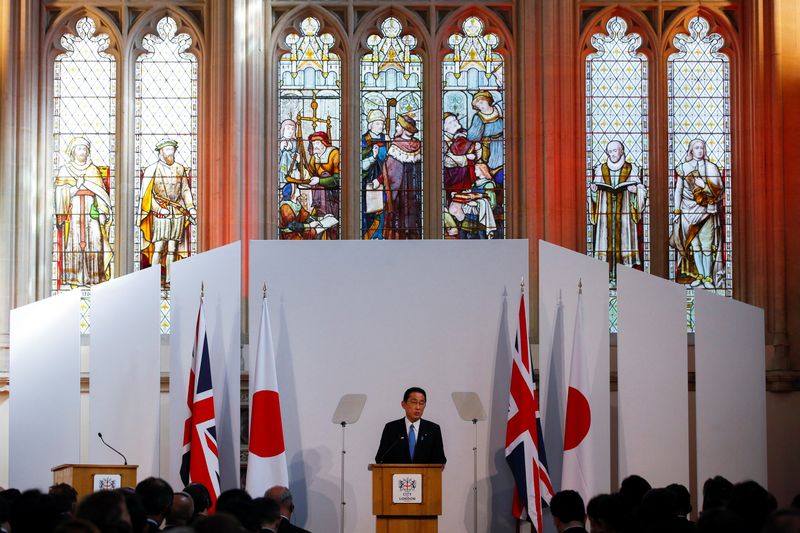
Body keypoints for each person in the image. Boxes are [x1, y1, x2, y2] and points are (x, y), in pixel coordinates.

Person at [54, 136, 113, 288]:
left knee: (95, 241)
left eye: (85, 149)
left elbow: (101, 194)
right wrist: (74, 188)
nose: (82, 152)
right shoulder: (65, 170)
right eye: (79, 148)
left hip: (91, 213)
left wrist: (101, 212)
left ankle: (94, 278)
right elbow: (59, 194)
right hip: (72, 214)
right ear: (73, 152)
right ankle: (74, 277)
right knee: (73, 242)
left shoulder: (93, 170)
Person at [138, 138, 196, 283]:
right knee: (159, 246)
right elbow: (147, 195)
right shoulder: (153, 169)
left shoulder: (179, 168)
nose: (171, 152)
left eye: (172, 149)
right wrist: (158, 208)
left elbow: (185, 190)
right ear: (161, 152)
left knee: (173, 248)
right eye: (168, 149)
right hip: (160, 213)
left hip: (177, 213)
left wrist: (191, 208)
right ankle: (153, 279)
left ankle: (171, 279)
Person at [670, 138, 725, 289]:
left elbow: (719, 191)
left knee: (707, 245)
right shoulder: (683, 167)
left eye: (702, 148)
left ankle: (708, 278)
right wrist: (676, 211)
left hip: (706, 211)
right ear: (691, 151)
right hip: (687, 211)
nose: (700, 150)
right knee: (695, 246)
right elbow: (678, 191)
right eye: (696, 148)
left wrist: (704, 185)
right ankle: (700, 276)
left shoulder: (711, 167)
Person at [588, 140, 648, 279]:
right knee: (605, 239)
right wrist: (593, 191)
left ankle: (625, 273)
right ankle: (608, 273)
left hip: (625, 213)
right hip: (605, 213)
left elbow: (641, 190)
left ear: (621, 151)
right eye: (610, 151)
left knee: (624, 240)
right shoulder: (600, 169)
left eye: (615, 151)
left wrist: (635, 190)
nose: (612, 154)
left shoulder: (631, 168)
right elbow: (593, 195)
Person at [375, 387, 446, 464]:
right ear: (403, 404)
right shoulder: (391, 428)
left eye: (421, 403)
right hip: (396, 475)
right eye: (414, 402)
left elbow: (440, 461)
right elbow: (381, 458)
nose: (418, 407)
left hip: (425, 475)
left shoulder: (433, 429)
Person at [383, 114, 422, 239]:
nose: (396, 128)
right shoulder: (417, 145)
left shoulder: (397, 145)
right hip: (406, 189)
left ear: (404, 128)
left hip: (408, 189)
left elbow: (390, 172)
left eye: (398, 125)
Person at [361, 109, 389, 239]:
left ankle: (380, 234)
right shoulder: (364, 140)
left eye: (382, 124)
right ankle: (369, 236)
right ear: (370, 125)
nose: (381, 126)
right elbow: (359, 163)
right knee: (369, 208)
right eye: (377, 123)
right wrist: (373, 156)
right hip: (368, 178)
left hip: (384, 177)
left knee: (382, 207)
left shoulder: (386, 139)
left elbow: (389, 160)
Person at [305, 131, 340, 227]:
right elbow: (312, 175)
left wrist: (320, 180)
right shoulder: (314, 158)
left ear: (324, 143)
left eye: (317, 143)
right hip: (319, 196)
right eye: (313, 143)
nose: (314, 146)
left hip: (333, 194)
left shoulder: (334, 154)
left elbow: (338, 178)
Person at [278, 119, 298, 190]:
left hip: (293, 166)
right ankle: (283, 181)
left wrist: (296, 156)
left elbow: (297, 153)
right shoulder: (280, 141)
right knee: (285, 154)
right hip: (283, 167)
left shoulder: (295, 142)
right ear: (283, 129)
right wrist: (281, 148)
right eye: (288, 128)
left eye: (293, 129)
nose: (290, 131)